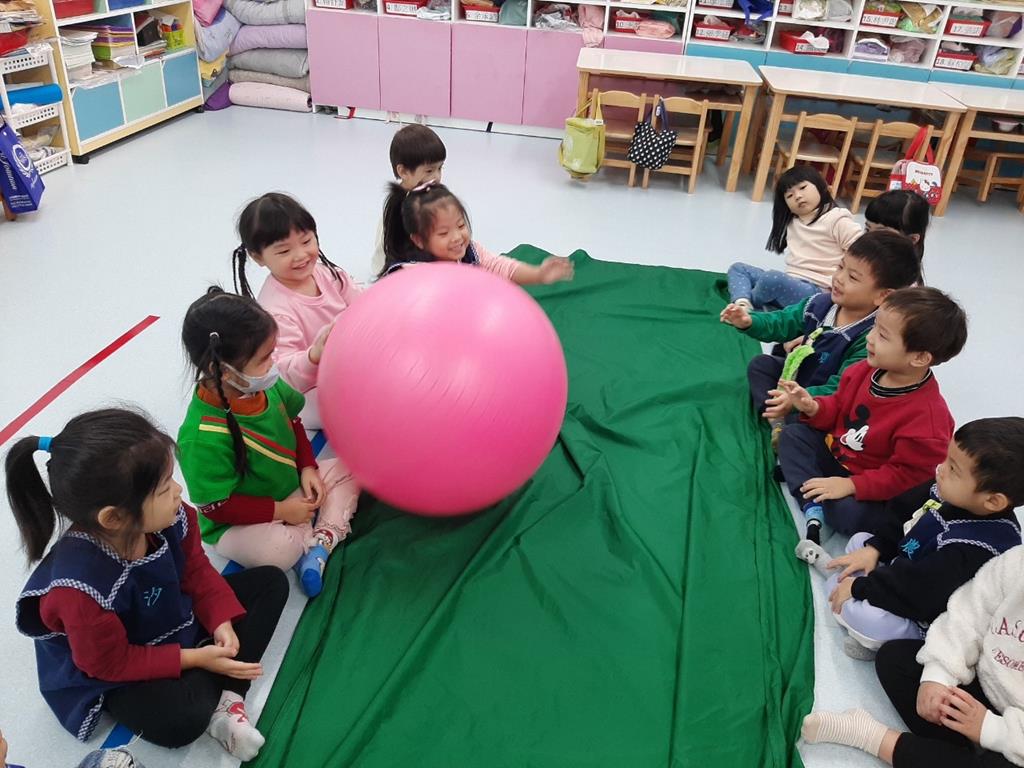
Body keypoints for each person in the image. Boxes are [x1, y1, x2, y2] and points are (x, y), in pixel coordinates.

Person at [7, 409, 287, 759]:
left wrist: (221, 621)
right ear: (114, 517)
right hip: (114, 663)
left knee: (271, 584)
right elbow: (109, 663)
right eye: (164, 488)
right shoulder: (78, 591)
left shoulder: (172, 517)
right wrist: (197, 658)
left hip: (166, 618)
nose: (179, 491)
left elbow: (195, 570)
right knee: (181, 720)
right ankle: (217, 681)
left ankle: (229, 700)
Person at [178, 288, 359, 597]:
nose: (273, 364)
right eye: (264, 359)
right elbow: (217, 507)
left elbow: (293, 421)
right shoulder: (201, 437)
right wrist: (281, 511)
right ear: (221, 371)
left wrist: (307, 467)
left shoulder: (264, 386)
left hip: (289, 488)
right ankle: (310, 538)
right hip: (240, 523)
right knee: (277, 552)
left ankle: (320, 543)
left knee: (353, 467)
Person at [802, 418, 1024, 660]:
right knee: (861, 541)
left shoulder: (978, 548)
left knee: (873, 620)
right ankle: (845, 591)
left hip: (924, 610)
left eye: (953, 470)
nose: (940, 469)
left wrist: (860, 588)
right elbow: (900, 512)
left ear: (993, 501)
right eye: (947, 459)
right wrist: (876, 548)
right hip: (908, 569)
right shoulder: (949, 491)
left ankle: (848, 602)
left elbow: (920, 591)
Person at [776, 287, 968, 543]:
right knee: (793, 434)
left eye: (883, 335)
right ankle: (813, 499)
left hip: (875, 486)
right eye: (875, 327)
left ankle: (809, 486)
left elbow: (906, 477)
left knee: (847, 514)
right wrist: (814, 407)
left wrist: (852, 485)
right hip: (838, 455)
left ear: (920, 357)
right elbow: (838, 406)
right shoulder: (863, 369)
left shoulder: (928, 420)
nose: (870, 338)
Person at [720, 230, 920, 445]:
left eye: (853, 277)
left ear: (883, 295)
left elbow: (842, 387)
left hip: (824, 402)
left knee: (809, 431)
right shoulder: (819, 304)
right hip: (800, 378)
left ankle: (788, 423)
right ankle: (777, 419)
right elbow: (782, 322)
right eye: (841, 267)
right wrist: (750, 321)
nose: (839, 278)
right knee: (760, 366)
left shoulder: (870, 337)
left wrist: (800, 400)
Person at [230, 192, 361, 429]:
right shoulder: (275, 312)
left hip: (350, 362)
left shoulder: (329, 274)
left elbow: (362, 303)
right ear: (258, 257)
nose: (301, 255)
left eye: (306, 241)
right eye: (284, 251)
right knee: (361, 402)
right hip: (311, 389)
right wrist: (314, 355)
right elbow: (285, 377)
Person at [379, 181, 574, 285]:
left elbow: (500, 266)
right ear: (419, 240)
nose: (457, 237)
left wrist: (539, 274)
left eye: (460, 226)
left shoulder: (471, 252)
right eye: (444, 233)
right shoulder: (412, 275)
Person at [727, 165, 862, 311]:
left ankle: (752, 304)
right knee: (738, 268)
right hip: (792, 282)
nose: (797, 196)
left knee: (772, 279)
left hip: (818, 291)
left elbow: (863, 252)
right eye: (789, 196)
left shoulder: (837, 219)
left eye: (802, 188)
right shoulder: (793, 221)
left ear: (821, 186)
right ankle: (742, 303)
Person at [370, 123, 447, 276]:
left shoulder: (425, 195)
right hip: (395, 268)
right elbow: (394, 252)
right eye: (429, 171)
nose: (437, 177)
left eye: (440, 168)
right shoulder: (402, 206)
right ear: (403, 171)